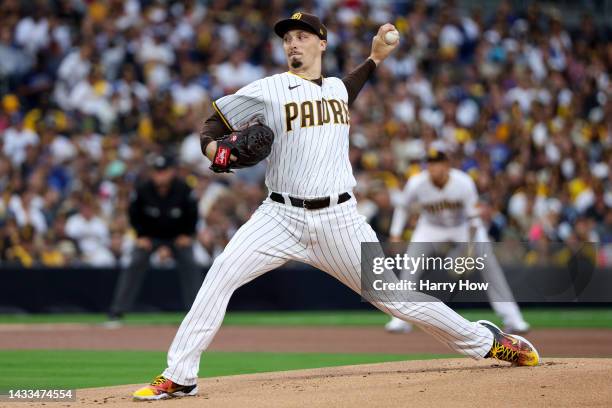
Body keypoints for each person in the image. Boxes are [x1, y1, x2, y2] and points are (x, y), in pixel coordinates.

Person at [132, 13, 539, 401]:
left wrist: (376, 57)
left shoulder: (337, 90)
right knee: (220, 274)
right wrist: (217, 152)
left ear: (321, 43)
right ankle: (180, 377)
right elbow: (211, 128)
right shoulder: (267, 89)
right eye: (288, 38)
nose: (293, 43)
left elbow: (349, 86)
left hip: (339, 220)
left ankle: (489, 342)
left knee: (395, 298)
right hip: (279, 216)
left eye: (303, 36)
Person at [384, 148, 530, 334]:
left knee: (488, 261)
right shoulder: (417, 183)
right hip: (430, 228)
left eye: (437, 162)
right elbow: (403, 207)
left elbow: (473, 219)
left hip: (462, 227)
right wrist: (395, 233)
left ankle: (513, 319)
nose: (433, 167)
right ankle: (400, 319)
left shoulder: (463, 182)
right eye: (430, 162)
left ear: (447, 165)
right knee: (410, 266)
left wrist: (469, 250)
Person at [107, 153, 202, 323]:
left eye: (163, 171)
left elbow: (193, 214)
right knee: (135, 261)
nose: (160, 175)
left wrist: (187, 234)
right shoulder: (143, 189)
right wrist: (141, 236)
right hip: (150, 237)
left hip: (178, 237)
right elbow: (134, 214)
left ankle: (197, 314)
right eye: (157, 171)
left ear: (172, 172)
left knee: (190, 263)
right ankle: (117, 310)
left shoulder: (184, 189)